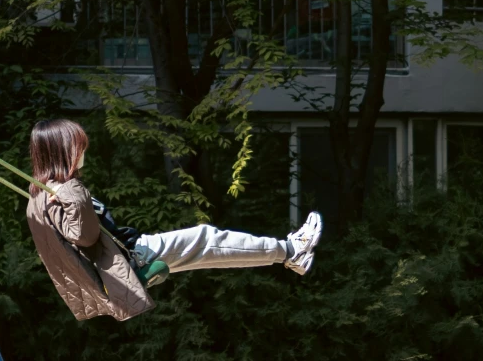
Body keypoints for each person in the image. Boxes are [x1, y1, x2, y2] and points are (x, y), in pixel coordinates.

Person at [23, 117, 321, 322]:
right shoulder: (57, 194)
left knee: (210, 253)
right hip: (132, 258)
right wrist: (73, 192)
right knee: (207, 239)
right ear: (63, 153)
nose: (83, 154)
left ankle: (288, 255)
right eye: (79, 148)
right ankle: (291, 250)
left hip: (128, 254)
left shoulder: (48, 194)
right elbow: (84, 236)